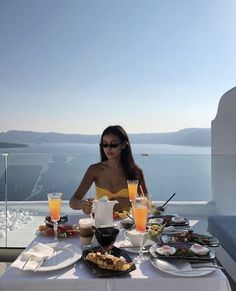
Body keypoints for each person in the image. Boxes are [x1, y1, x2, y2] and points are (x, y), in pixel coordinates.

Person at [69, 125, 148, 215]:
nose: (108, 148)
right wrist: (82, 204)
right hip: (101, 224)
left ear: (124, 145)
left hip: (127, 225)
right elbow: (73, 202)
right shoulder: (94, 170)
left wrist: (127, 202)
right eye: (105, 144)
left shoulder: (136, 172)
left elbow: (146, 202)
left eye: (113, 144)